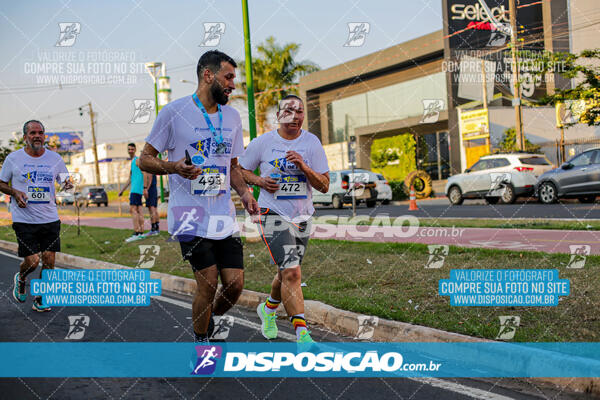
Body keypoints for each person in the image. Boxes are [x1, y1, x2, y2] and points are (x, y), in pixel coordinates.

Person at [138, 50, 259, 344]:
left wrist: (244, 193)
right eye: (228, 77)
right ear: (208, 75)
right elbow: (144, 159)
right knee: (208, 283)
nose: (233, 84)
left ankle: (209, 318)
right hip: (188, 216)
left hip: (222, 216)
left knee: (235, 285)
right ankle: (201, 339)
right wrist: (173, 167)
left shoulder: (231, 117)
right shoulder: (173, 112)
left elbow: (232, 166)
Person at [240, 95, 330, 344]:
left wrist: (304, 167)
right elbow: (241, 170)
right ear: (279, 115)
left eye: (300, 111)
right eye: (289, 110)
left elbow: (324, 185)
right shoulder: (264, 142)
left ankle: (268, 310)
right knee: (292, 272)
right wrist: (259, 182)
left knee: (286, 273)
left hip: (302, 216)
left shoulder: (311, 143)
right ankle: (303, 335)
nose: (295, 115)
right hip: (272, 213)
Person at [0, 120, 72, 312]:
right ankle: (22, 278)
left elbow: (66, 181)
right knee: (32, 261)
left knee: (49, 260)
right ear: (25, 137)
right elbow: (1, 182)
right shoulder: (13, 158)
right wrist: (15, 192)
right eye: (32, 133)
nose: (37, 136)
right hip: (24, 219)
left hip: (50, 218)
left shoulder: (55, 159)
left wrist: (68, 184)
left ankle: (41, 298)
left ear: (44, 135)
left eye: (40, 132)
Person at [118, 143, 146, 242]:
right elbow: (130, 178)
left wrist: (145, 187)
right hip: (135, 189)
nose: (130, 151)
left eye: (132, 149)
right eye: (129, 149)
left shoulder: (137, 160)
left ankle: (137, 231)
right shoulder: (133, 162)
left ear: (135, 150)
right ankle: (141, 232)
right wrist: (122, 190)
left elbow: (144, 172)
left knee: (133, 210)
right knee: (138, 210)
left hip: (136, 189)